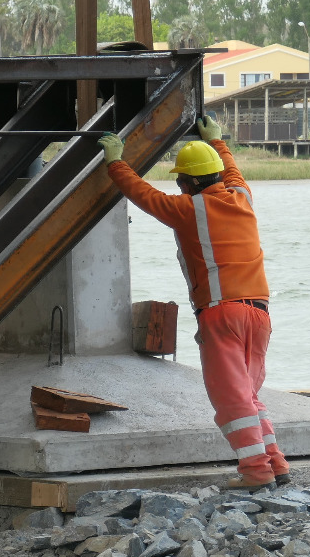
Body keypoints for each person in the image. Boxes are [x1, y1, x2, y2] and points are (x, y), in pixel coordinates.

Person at [97, 116, 291, 490]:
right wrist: (217, 141)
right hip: (260, 314)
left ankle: (255, 472)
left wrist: (114, 161)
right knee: (249, 395)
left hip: (222, 314)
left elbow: (142, 194)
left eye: (180, 181)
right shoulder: (243, 196)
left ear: (187, 183)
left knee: (232, 398)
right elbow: (231, 169)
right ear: (216, 175)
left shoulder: (188, 209)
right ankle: (276, 465)